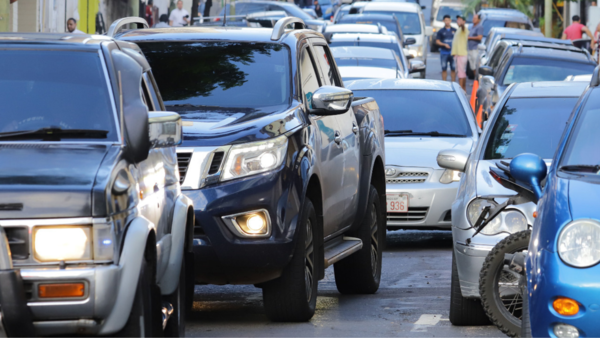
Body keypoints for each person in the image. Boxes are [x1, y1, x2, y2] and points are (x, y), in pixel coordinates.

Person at [435, 15, 456, 82]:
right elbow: (437, 41)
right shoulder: (441, 31)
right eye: (445, 20)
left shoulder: (454, 30)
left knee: (453, 68)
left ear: (450, 21)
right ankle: (444, 83)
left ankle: (453, 83)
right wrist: (444, 44)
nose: (447, 22)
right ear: (443, 21)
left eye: (448, 20)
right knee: (444, 68)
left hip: (453, 52)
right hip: (444, 52)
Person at [451, 15, 469, 91]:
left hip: (462, 54)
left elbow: (463, 27)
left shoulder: (464, 29)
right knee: (459, 72)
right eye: (457, 19)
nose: (458, 21)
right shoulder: (458, 30)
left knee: (461, 73)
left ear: (464, 22)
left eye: (460, 20)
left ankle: (461, 89)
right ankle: (462, 89)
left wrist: (462, 24)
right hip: (458, 55)